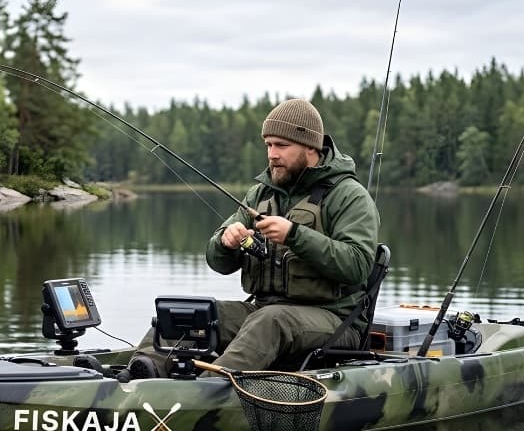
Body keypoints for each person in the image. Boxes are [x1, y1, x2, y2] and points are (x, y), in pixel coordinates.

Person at [130, 98, 379, 376]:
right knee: (191, 315)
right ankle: (135, 376)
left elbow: (358, 265)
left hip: (334, 320)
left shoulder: (349, 196)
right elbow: (218, 263)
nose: (272, 154)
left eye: (282, 146)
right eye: (268, 145)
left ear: (311, 147)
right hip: (263, 311)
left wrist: (294, 235)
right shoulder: (261, 194)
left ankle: (205, 391)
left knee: (271, 321)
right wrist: (226, 242)